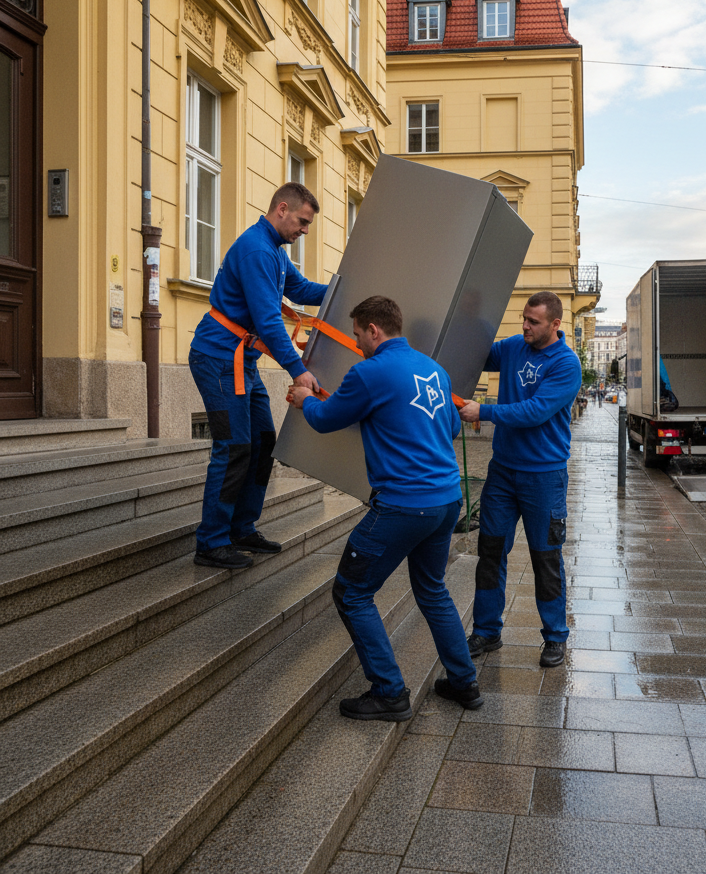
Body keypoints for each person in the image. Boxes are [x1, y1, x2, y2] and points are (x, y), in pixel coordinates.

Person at [287, 295, 482, 721]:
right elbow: (450, 426)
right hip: (446, 500)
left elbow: (325, 419)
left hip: (403, 505)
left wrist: (304, 398)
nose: (357, 343)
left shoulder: (370, 372)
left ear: (374, 330)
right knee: (432, 590)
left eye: (358, 334)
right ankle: (464, 682)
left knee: (352, 592)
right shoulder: (433, 370)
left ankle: (389, 692)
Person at [189, 183, 328, 570]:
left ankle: (241, 528)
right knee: (233, 447)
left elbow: (301, 289)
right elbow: (268, 321)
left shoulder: (275, 251)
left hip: (240, 362)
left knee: (263, 441)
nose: (305, 230)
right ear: (282, 209)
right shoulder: (257, 249)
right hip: (217, 359)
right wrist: (299, 371)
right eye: (302, 221)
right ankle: (211, 542)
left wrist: (347, 289)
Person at [456, 291, 582, 669]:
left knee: (545, 556)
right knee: (490, 550)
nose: (525, 326)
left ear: (555, 324)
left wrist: (484, 411)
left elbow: (535, 411)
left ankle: (555, 636)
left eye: (533, 322)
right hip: (503, 472)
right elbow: (476, 354)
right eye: (524, 319)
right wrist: (467, 316)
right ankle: (487, 630)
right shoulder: (513, 347)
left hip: (544, 476)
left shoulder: (566, 363)